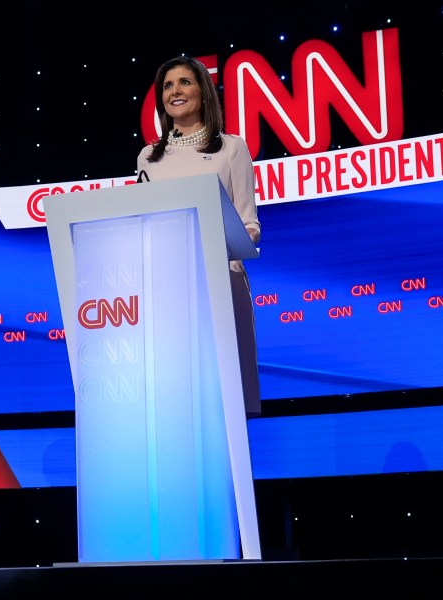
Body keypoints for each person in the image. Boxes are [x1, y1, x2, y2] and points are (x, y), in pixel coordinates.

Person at [137, 56, 262, 418]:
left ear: (204, 93)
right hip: (167, 291)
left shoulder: (231, 148)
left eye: (185, 82)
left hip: (221, 282)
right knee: (178, 402)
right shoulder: (148, 157)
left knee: (226, 401)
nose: (175, 91)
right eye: (167, 85)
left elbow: (249, 225)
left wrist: (216, 243)